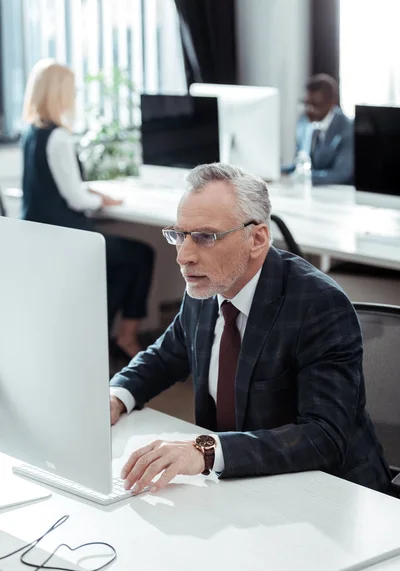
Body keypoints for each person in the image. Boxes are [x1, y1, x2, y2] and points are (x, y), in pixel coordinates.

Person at [109, 162, 392, 496]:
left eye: (204, 237)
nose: (183, 256)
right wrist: (116, 396)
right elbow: (165, 356)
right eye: (179, 235)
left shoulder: (319, 305)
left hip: (329, 494)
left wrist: (205, 451)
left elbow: (324, 437)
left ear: (257, 238)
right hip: (239, 487)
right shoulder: (206, 287)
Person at [21, 59, 154, 358]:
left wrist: (87, 189)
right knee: (141, 255)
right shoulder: (58, 136)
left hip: (38, 235)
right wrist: (103, 201)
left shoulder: (32, 131)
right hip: (65, 238)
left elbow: (54, 183)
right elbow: (75, 200)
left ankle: (99, 339)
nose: (75, 97)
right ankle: (126, 337)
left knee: (121, 265)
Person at [282, 73, 354, 186]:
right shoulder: (304, 122)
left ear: (332, 103)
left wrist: (303, 177)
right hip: (311, 192)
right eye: (306, 104)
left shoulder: (347, 128)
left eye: (316, 105)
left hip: (338, 195)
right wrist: (278, 171)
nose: (309, 110)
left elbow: (341, 174)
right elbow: (300, 164)